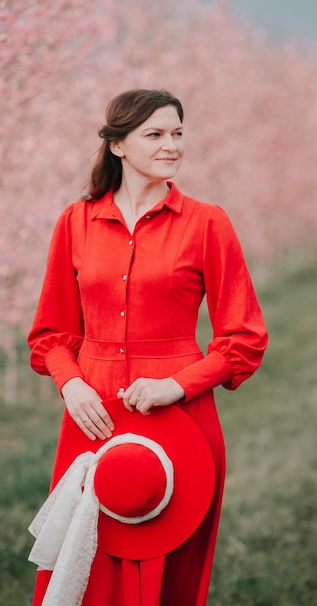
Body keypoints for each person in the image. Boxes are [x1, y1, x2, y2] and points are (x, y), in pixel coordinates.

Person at [27, 88, 268, 606]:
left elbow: (244, 338)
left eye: (178, 133)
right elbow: (50, 335)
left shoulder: (208, 223)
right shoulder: (75, 222)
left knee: (169, 581)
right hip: (91, 419)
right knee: (82, 574)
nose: (172, 146)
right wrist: (70, 384)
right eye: (155, 135)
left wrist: (176, 386)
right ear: (118, 145)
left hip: (180, 423)